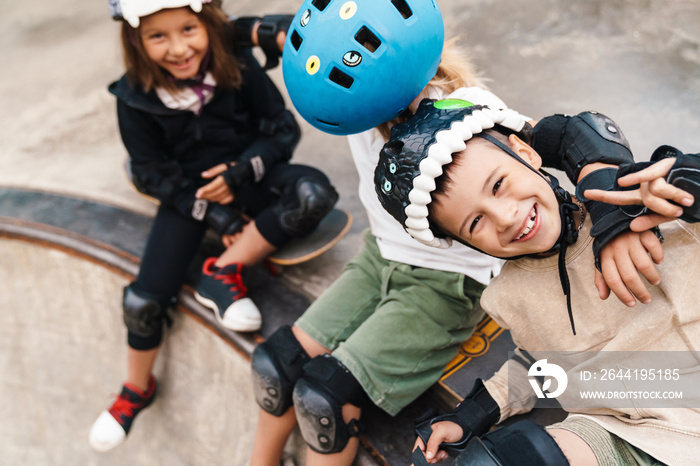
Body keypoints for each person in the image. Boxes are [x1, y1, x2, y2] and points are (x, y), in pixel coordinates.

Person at [247, 1, 662, 465]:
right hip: (382, 255)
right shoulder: (350, 99)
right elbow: (313, 41)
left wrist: (612, 215)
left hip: (448, 282)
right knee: (276, 365)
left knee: (323, 399)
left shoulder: (465, 110)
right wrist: (249, 32)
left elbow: (576, 139)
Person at [374, 99, 700, 465]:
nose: (505, 217)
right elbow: (540, 364)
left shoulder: (633, 204)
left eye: (498, 185)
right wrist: (470, 416)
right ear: (465, 243)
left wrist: (687, 186)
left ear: (525, 153)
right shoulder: (508, 296)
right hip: (628, 436)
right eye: (474, 223)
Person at [88, 0, 337, 452]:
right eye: (158, 36)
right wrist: (218, 214)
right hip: (190, 198)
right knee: (144, 301)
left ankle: (221, 270)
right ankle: (135, 388)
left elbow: (281, 130)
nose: (179, 48)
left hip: (248, 176)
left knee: (313, 193)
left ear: (208, 24)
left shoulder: (236, 65)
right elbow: (151, 174)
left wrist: (242, 172)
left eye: (188, 29)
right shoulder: (133, 98)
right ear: (135, 40)